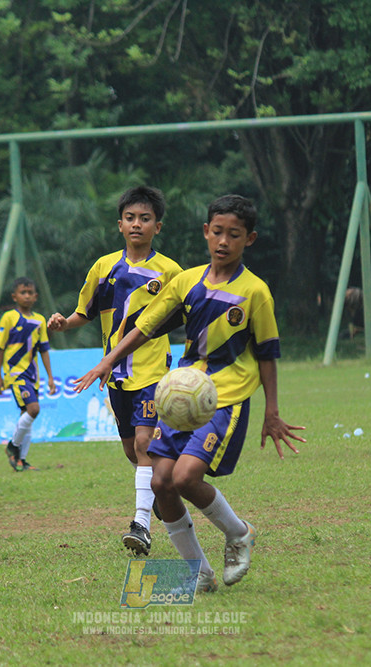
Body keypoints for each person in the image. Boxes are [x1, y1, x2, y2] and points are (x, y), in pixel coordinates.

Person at [75, 194, 306, 593]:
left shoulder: (256, 293)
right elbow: (145, 327)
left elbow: (268, 355)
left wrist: (272, 411)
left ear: (248, 239)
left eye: (234, 235)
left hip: (224, 399)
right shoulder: (186, 282)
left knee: (183, 477)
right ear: (205, 232)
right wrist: (107, 361)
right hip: (182, 396)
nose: (223, 242)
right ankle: (200, 572)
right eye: (217, 232)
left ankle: (238, 533)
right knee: (161, 482)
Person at [48, 185, 183, 557]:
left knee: (143, 444)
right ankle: (160, 490)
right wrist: (63, 323)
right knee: (132, 450)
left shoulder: (170, 271)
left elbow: (189, 313)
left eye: (145, 218)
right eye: (130, 218)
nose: (136, 224)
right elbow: (84, 313)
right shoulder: (104, 267)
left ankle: (141, 525)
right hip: (116, 374)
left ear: (158, 226)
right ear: (119, 225)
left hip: (153, 371)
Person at [0, 277, 56, 472]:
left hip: (32, 375)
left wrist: (51, 377)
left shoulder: (39, 320)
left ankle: (21, 460)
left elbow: (44, 349)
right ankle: (12, 446)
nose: (27, 296)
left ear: (36, 297)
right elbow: (0, 347)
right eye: (23, 292)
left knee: (26, 416)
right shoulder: (8, 317)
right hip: (15, 373)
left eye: (30, 293)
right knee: (34, 409)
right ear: (15, 296)